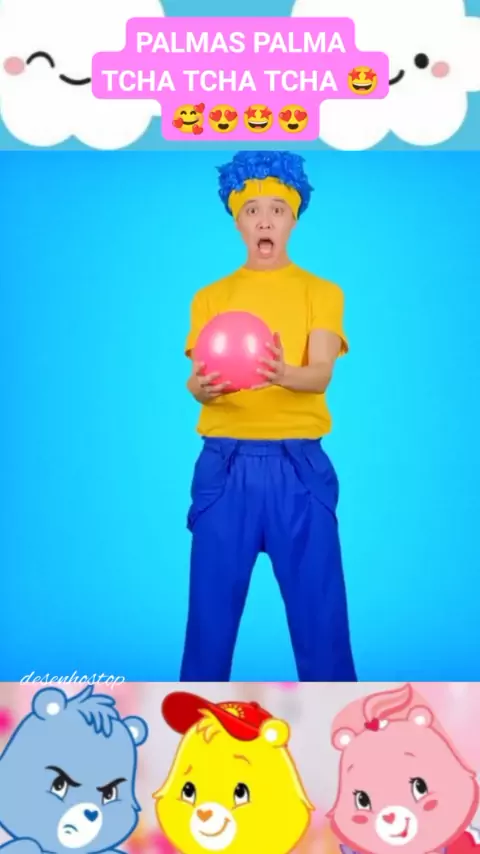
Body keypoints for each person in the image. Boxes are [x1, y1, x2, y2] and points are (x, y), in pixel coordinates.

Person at [181, 150, 357, 682]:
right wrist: (201, 389)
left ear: (293, 219)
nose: (264, 220)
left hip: (298, 469)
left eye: (277, 210)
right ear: (237, 221)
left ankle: (338, 727)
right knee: (209, 622)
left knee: (321, 620)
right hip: (224, 467)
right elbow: (196, 382)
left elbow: (320, 375)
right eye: (251, 210)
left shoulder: (321, 292)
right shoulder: (210, 298)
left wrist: (282, 372)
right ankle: (193, 725)